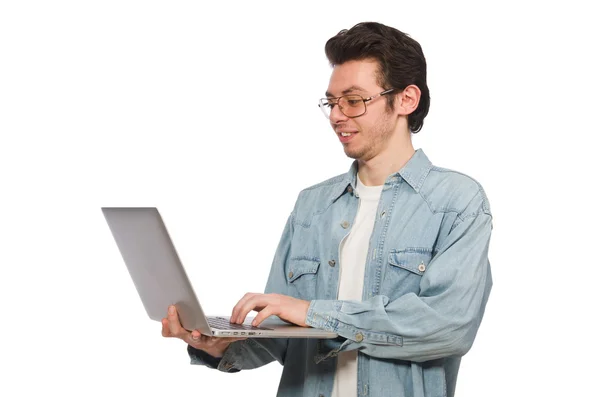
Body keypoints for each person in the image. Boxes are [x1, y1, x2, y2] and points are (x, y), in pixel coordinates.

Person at [162, 21, 493, 397]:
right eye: (332, 102)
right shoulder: (312, 205)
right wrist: (219, 345)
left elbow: (448, 327)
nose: (337, 115)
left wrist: (313, 312)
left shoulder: (457, 202)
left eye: (354, 101)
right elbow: (281, 337)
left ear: (406, 100)